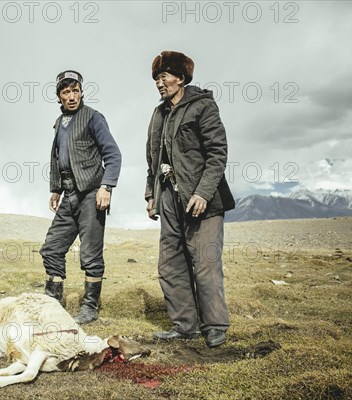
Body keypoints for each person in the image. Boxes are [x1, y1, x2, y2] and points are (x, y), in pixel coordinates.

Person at [144, 51, 235, 347]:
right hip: (169, 196)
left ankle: (215, 326)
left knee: (205, 262)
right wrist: (151, 195)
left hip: (202, 199)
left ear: (181, 78)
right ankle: (184, 325)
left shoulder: (203, 107)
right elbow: (153, 159)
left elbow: (217, 154)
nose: (160, 82)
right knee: (170, 263)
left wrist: (202, 192)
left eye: (165, 76)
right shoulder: (159, 114)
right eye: (157, 78)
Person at [40, 70, 122, 325]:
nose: (72, 96)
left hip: (91, 194)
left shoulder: (93, 118)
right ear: (59, 96)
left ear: (82, 91)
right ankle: (53, 303)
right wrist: (55, 189)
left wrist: (106, 187)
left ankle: (89, 307)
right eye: (66, 92)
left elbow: (114, 155)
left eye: (76, 91)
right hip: (69, 194)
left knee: (90, 254)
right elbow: (57, 159)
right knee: (51, 249)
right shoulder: (59, 123)